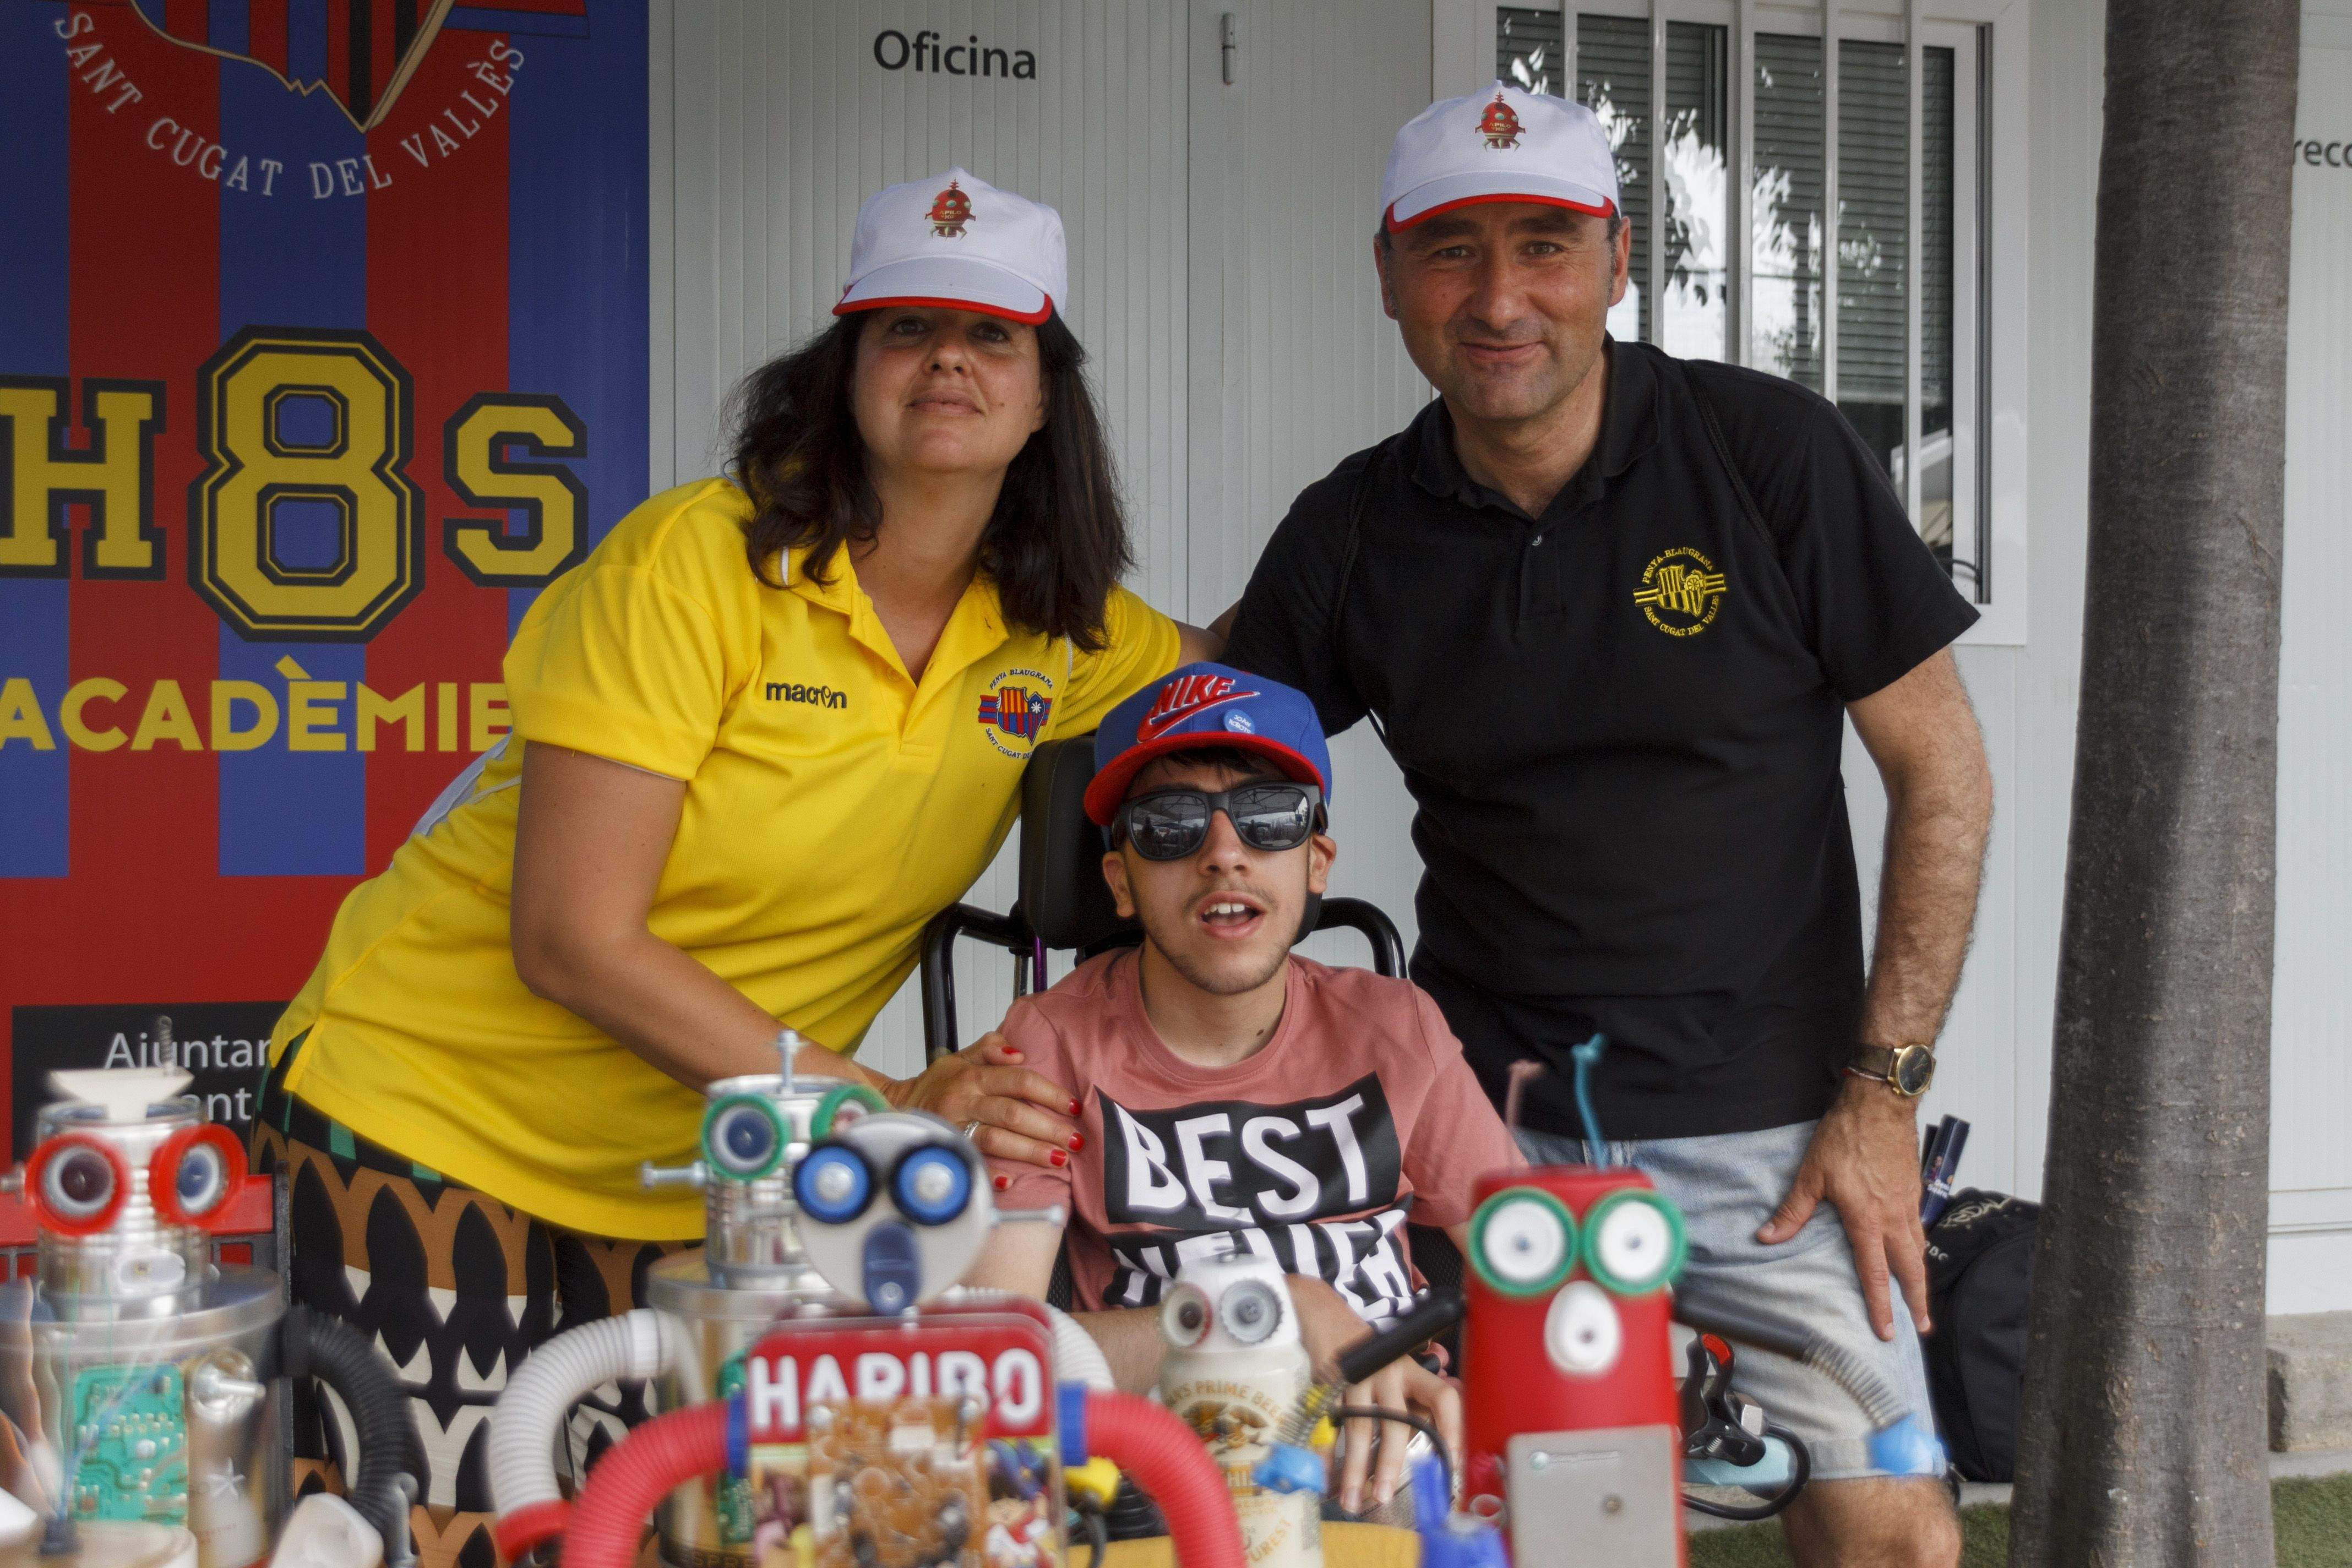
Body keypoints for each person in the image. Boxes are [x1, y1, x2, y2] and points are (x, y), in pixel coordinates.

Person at [252, 168, 1211, 1568]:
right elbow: (575, 940)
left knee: (702, 1539)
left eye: (992, 334)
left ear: (1045, 391)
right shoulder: (693, 565)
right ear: (843, 375)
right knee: (446, 1542)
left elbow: (1244, 675)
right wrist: (881, 1103)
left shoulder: (1064, 631)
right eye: (904, 328)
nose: (948, 356)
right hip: (429, 1123)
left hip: (707, 1181)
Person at [1217, 85, 1992, 1568]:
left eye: (1545, 246)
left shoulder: (1768, 456)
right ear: (1388, 277)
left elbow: (1943, 770)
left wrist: (1883, 1096)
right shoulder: (1361, 527)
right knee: (1555, 1526)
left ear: (1618, 260)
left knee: (1897, 1532)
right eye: (1449, 252)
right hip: (1493, 1126)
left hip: (1783, 1126)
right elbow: (1198, 745)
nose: (1500, 298)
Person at [963, 662, 1521, 1517]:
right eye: (1169, 827)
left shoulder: (1397, 1025)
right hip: (1170, 1475)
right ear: (1119, 881)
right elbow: (1003, 1357)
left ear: (1316, 862)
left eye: (1267, 819)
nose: (1224, 853)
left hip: (1396, 1455)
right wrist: (1272, 1310)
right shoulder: (1050, 1045)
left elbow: (1535, 1265)